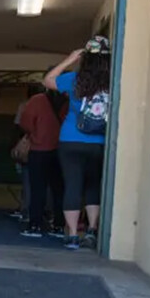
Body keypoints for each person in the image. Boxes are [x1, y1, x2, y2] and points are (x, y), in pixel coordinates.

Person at [43, 36, 111, 250]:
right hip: (99, 140)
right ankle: (91, 231)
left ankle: (72, 235)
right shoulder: (113, 81)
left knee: (72, 185)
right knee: (93, 185)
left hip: (71, 139)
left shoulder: (75, 79)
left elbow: (48, 80)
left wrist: (69, 59)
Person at [19, 84, 68, 238]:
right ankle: (59, 226)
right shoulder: (69, 101)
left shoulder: (37, 100)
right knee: (59, 190)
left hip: (39, 149)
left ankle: (35, 225)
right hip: (61, 150)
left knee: (37, 189)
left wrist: (35, 135)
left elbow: (25, 122)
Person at [10, 85, 44, 222]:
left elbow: (19, 126)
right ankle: (43, 212)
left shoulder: (25, 106)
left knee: (27, 180)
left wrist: (18, 143)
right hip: (48, 145)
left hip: (29, 145)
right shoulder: (51, 105)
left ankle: (26, 210)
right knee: (44, 182)